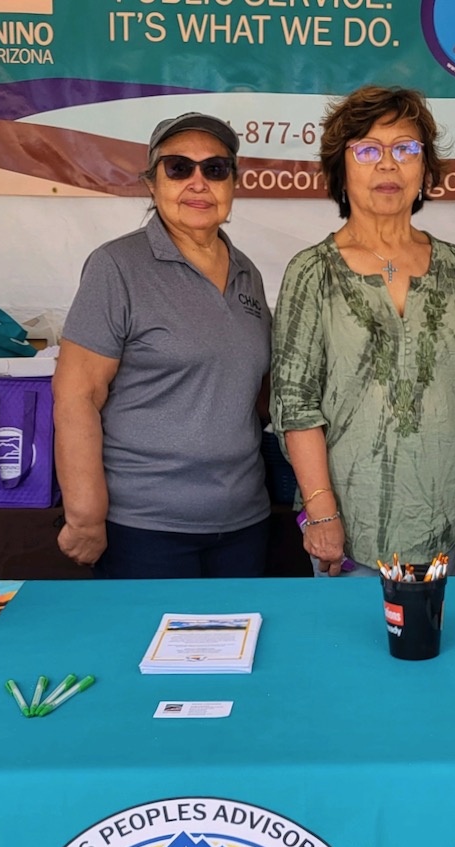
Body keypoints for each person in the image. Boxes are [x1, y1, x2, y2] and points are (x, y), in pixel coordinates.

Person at [270, 86, 455, 576]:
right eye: (368, 150)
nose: (388, 165)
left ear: (425, 170)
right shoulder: (312, 272)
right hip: (350, 531)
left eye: (406, 149)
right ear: (341, 170)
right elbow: (294, 403)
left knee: (438, 648)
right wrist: (321, 512)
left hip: (445, 524)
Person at [53, 112, 272, 578]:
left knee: (240, 649)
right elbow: (77, 396)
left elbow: (259, 393)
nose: (198, 182)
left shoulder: (247, 272)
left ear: (233, 185)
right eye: (178, 167)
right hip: (145, 528)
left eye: (215, 169)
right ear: (152, 183)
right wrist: (85, 515)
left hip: (243, 521)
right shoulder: (117, 267)